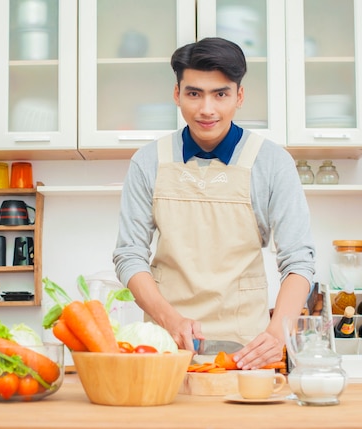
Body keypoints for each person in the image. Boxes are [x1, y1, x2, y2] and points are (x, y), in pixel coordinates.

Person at [112, 37, 315, 369]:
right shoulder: (148, 161)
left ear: (239, 96)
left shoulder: (272, 162)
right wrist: (169, 320)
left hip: (247, 350)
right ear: (177, 95)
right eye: (194, 93)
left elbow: (299, 260)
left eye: (220, 94)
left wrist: (279, 331)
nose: (207, 109)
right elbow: (129, 254)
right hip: (164, 346)